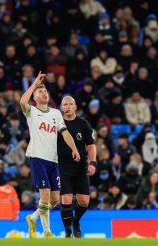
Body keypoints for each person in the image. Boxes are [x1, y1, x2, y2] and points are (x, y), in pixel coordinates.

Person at [20, 71, 80, 238]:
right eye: (40, 91)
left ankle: (32, 218)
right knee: (45, 196)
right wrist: (34, 84)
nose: (44, 93)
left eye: (45, 91)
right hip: (38, 157)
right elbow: (22, 101)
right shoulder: (31, 111)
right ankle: (47, 231)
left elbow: (65, 133)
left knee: (55, 200)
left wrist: (74, 148)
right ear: (35, 97)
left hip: (54, 160)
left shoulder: (56, 113)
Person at [58, 96, 96, 238]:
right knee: (66, 198)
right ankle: (68, 232)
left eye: (70, 104)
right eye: (65, 104)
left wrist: (93, 163)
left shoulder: (83, 124)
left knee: (84, 201)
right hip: (62, 166)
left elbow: (91, 146)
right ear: (61, 108)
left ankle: (75, 221)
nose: (67, 107)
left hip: (80, 167)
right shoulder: (57, 124)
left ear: (75, 107)